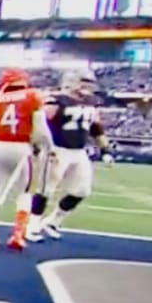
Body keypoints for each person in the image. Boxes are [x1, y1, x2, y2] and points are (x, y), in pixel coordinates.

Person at [27, 69, 114, 242]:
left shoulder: (91, 102)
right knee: (45, 190)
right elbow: (39, 124)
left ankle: (52, 222)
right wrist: (40, 146)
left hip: (79, 152)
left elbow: (96, 128)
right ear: (71, 82)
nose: (88, 86)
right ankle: (31, 225)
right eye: (84, 81)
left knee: (81, 190)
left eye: (89, 82)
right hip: (57, 149)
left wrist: (105, 149)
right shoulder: (56, 100)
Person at [0, 68, 52, 250]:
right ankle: (18, 235)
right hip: (22, 148)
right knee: (24, 193)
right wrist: (47, 147)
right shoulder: (32, 96)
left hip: (0, 147)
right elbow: (41, 129)